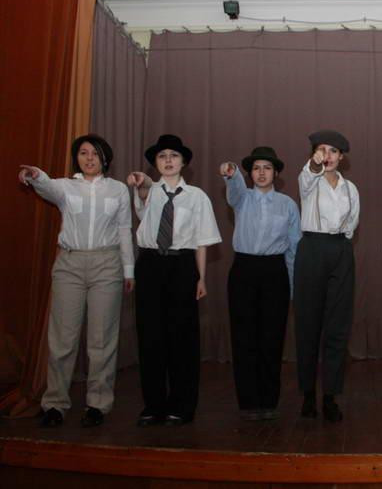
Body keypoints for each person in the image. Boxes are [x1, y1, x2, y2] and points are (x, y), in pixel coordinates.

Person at [19, 135, 134, 428]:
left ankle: (98, 405)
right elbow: (45, 185)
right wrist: (34, 174)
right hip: (69, 266)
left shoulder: (118, 189)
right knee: (63, 339)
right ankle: (55, 404)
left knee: (102, 340)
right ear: (77, 158)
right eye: (83, 153)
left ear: (105, 158)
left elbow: (124, 229)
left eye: (95, 153)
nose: (89, 158)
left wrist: (128, 270)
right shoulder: (65, 187)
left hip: (107, 265)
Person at [127, 134, 221, 427]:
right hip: (150, 264)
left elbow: (202, 241)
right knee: (150, 336)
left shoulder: (197, 196)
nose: (168, 160)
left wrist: (201, 278)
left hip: (183, 265)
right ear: (155, 163)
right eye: (162, 156)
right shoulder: (149, 191)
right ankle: (153, 405)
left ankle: (182, 405)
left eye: (174, 156)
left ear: (184, 162)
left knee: (183, 337)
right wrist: (142, 183)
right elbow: (143, 194)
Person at [219, 147, 301, 421]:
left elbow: (294, 248)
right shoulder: (242, 198)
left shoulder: (288, 205)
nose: (262, 173)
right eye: (256, 168)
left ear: (276, 173)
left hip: (275, 272)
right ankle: (248, 401)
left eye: (267, 168)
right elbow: (233, 189)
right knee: (243, 337)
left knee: (272, 337)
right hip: (243, 270)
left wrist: (291, 287)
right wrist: (231, 172)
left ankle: (269, 400)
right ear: (250, 174)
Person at [294, 130, 359, 422]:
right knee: (308, 324)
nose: (327, 156)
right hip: (312, 249)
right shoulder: (309, 180)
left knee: (337, 325)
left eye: (333, 151)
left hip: (341, 250)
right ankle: (308, 394)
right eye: (322, 150)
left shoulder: (350, 188)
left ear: (341, 157)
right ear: (314, 154)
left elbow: (352, 224)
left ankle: (330, 395)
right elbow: (307, 175)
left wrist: (340, 249)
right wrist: (314, 164)